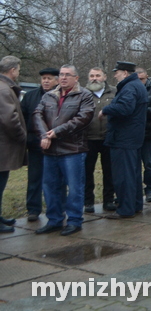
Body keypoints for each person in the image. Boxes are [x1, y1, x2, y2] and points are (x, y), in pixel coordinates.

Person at [32, 64, 95, 236]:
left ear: (76, 78)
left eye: (68, 74)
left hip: (73, 149)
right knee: (51, 187)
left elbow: (83, 119)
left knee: (75, 188)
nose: (63, 78)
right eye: (61, 74)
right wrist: (45, 135)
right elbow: (37, 114)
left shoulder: (85, 95)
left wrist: (56, 132)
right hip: (50, 150)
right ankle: (54, 220)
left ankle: (74, 220)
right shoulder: (49, 96)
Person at [102, 61, 147, 219]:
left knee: (124, 175)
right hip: (132, 137)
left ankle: (125, 209)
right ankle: (135, 205)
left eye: (117, 72)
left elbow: (124, 108)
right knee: (133, 174)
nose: (115, 75)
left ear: (125, 73)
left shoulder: (129, 87)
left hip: (123, 137)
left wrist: (105, 109)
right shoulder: (136, 85)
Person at [19, 67, 59, 222]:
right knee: (34, 178)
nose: (46, 81)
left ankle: (55, 208)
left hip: (56, 145)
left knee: (55, 180)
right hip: (35, 145)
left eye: (49, 78)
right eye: (44, 79)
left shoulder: (62, 96)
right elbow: (22, 119)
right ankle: (33, 209)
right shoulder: (30, 97)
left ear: (56, 80)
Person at [83, 67, 117, 213]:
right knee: (87, 172)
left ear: (104, 77)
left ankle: (109, 200)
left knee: (109, 172)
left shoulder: (115, 92)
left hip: (108, 138)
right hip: (88, 138)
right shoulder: (82, 93)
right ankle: (88, 202)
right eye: (91, 75)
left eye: (98, 75)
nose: (94, 78)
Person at [0, 56, 27, 233]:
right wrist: (22, 136)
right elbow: (9, 119)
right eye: (17, 69)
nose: (18, 73)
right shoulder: (3, 89)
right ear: (12, 70)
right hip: (3, 147)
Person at [136, 67, 151, 202]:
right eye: (137, 79)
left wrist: (142, 108)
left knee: (149, 164)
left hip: (148, 133)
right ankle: (135, 189)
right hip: (133, 134)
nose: (140, 82)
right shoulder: (131, 90)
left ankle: (150, 189)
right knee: (134, 165)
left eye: (142, 79)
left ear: (147, 77)